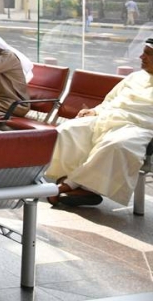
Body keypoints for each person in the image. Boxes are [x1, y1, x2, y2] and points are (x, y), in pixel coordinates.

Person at [47, 39, 153, 208]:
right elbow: (110, 100)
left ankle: (71, 185)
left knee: (116, 145)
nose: (141, 57)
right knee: (67, 129)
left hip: (140, 126)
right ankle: (76, 184)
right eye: (143, 52)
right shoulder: (135, 77)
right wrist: (95, 111)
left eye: (148, 53)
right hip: (107, 117)